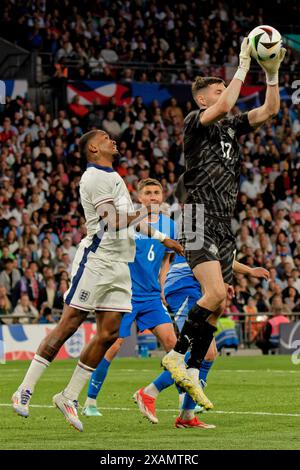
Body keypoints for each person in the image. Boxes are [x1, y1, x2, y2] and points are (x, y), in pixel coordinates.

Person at [12, 130, 183, 432]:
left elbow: (129, 221)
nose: (112, 139)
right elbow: (113, 220)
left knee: (108, 334)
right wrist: (147, 209)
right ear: (93, 147)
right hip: (97, 261)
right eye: (105, 137)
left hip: (120, 264)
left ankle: (68, 396)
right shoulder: (93, 178)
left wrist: (161, 237)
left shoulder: (113, 176)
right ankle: (24, 388)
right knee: (69, 324)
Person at [162, 38, 286, 409]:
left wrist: (273, 74)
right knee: (214, 294)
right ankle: (175, 357)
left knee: (216, 309)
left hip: (222, 221)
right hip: (197, 214)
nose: (224, 95)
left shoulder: (230, 128)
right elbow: (228, 102)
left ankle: (193, 371)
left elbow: (269, 111)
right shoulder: (194, 123)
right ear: (203, 100)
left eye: (223, 89)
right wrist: (244, 63)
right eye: (216, 91)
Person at [81, 178, 215, 428]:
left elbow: (166, 260)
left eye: (157, 193)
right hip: (126, 296)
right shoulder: (129, 223)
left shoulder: (170, 225)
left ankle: (183, 401)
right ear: (139, 197)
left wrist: (163, 287)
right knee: (113, 345)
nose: (153, 197)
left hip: (153, 297)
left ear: (162, 197)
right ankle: (90, 401)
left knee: (174, 346)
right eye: (148, 193)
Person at [133, 255, 269, 428]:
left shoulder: (216, 233)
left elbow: (220, 258)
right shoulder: (198, 229)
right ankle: (150, 392)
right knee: (205, 351)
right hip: (184, 285)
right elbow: (202, 257)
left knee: (209, 353)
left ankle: (187, 415)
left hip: (197, 286)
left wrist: (222, 284)